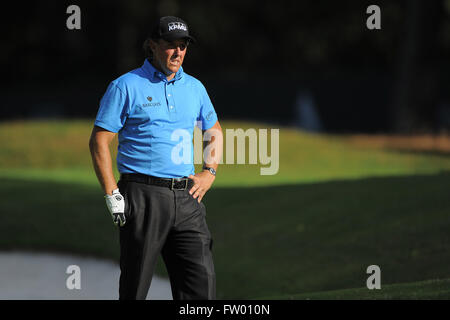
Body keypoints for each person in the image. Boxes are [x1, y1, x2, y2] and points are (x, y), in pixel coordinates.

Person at [89, 16, 223, 300]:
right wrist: (112, 195)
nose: (178, 53)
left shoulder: (195, 87)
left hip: (188, 198)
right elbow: (100, 141)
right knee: (135, 287)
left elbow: (214, 130)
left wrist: (209, 171)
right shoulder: (125, 86)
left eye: (183, 46)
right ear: (152, 46)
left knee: (202, 286)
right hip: (142, 196)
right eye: (170, 45)